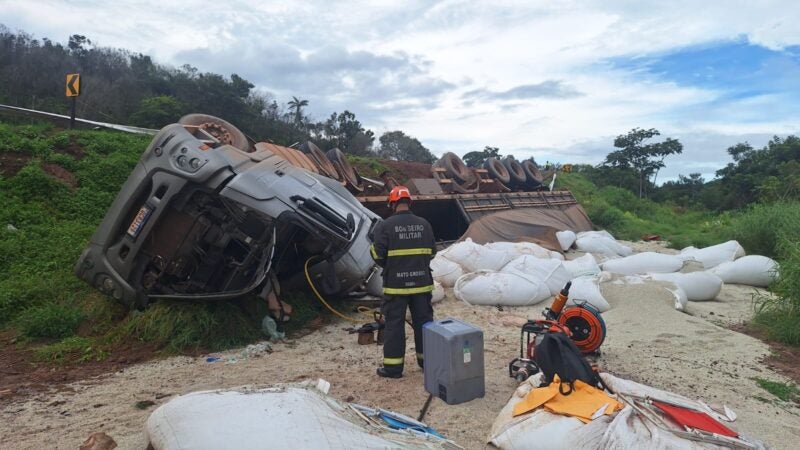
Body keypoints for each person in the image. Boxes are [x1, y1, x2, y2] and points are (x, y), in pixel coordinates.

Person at [369, 186, 436, 378]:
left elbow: (377, 254)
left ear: (392, 203)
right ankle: (428, 363)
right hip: (422, 284)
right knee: (425, 324)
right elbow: (432, 252)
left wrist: (391, 266)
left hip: (396, 286)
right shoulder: (424, 224)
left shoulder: (385, 226)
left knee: (394, 325)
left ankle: (393, 368)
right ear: (409, 203)